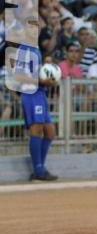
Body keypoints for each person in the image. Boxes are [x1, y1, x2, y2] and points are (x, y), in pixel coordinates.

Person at [14, 44, 59, 181]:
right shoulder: (23, 49)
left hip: (40, 93)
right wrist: (41, 80)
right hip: (31, 93)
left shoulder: (35, 48)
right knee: (37, 128)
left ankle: (39, 169)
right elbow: (19, 76)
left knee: (50, 132)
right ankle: (39, 171)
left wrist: (49, 76)